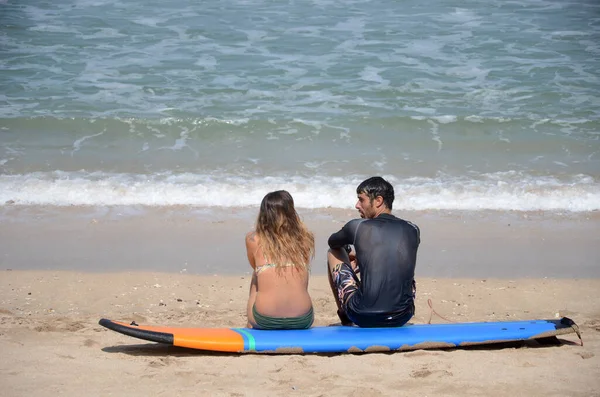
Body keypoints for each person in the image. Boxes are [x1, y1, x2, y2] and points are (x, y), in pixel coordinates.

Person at [327, 176, 420, 327]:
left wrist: (348, 252)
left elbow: (332, 242)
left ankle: (345, 316)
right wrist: (364, 256)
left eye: (361, 200)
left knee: (333, 252)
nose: (357, 205)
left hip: (361, 315)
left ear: (378, 201)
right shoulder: (413, 229)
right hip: (402, 316)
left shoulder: (357, 227)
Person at [245, 190, 315, 329]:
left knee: (257, 275)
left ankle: (249, 324)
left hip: (264, 319)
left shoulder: (253, 239)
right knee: (298, 272)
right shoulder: (305, 239)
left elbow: (254, 266)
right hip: (303, 319)